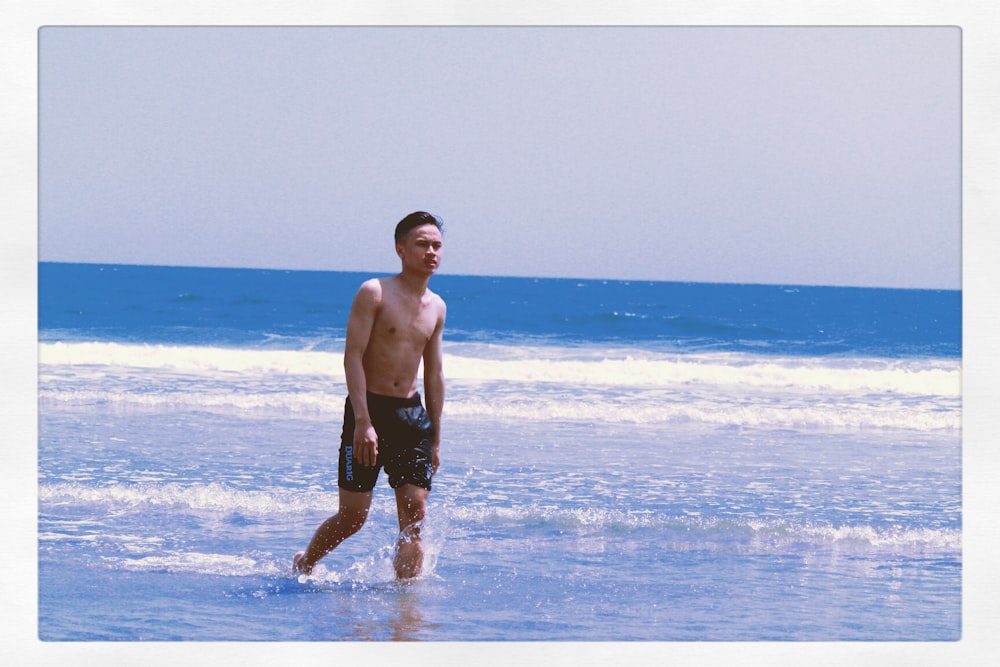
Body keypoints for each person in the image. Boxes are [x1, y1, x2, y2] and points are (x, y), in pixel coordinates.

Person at [293, 211, 446, 580]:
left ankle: (404, 600)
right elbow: (353, 356)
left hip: (411, 416)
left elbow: (434, 374)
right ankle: (306, 561)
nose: (431, 252)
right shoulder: (374, 292)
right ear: (401, 249)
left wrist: (436, 437)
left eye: (437, 245)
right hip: (369, 411)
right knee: (353, 517)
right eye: (422, 244)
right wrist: (363, 421)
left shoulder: (437, 307)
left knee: (415, 513)